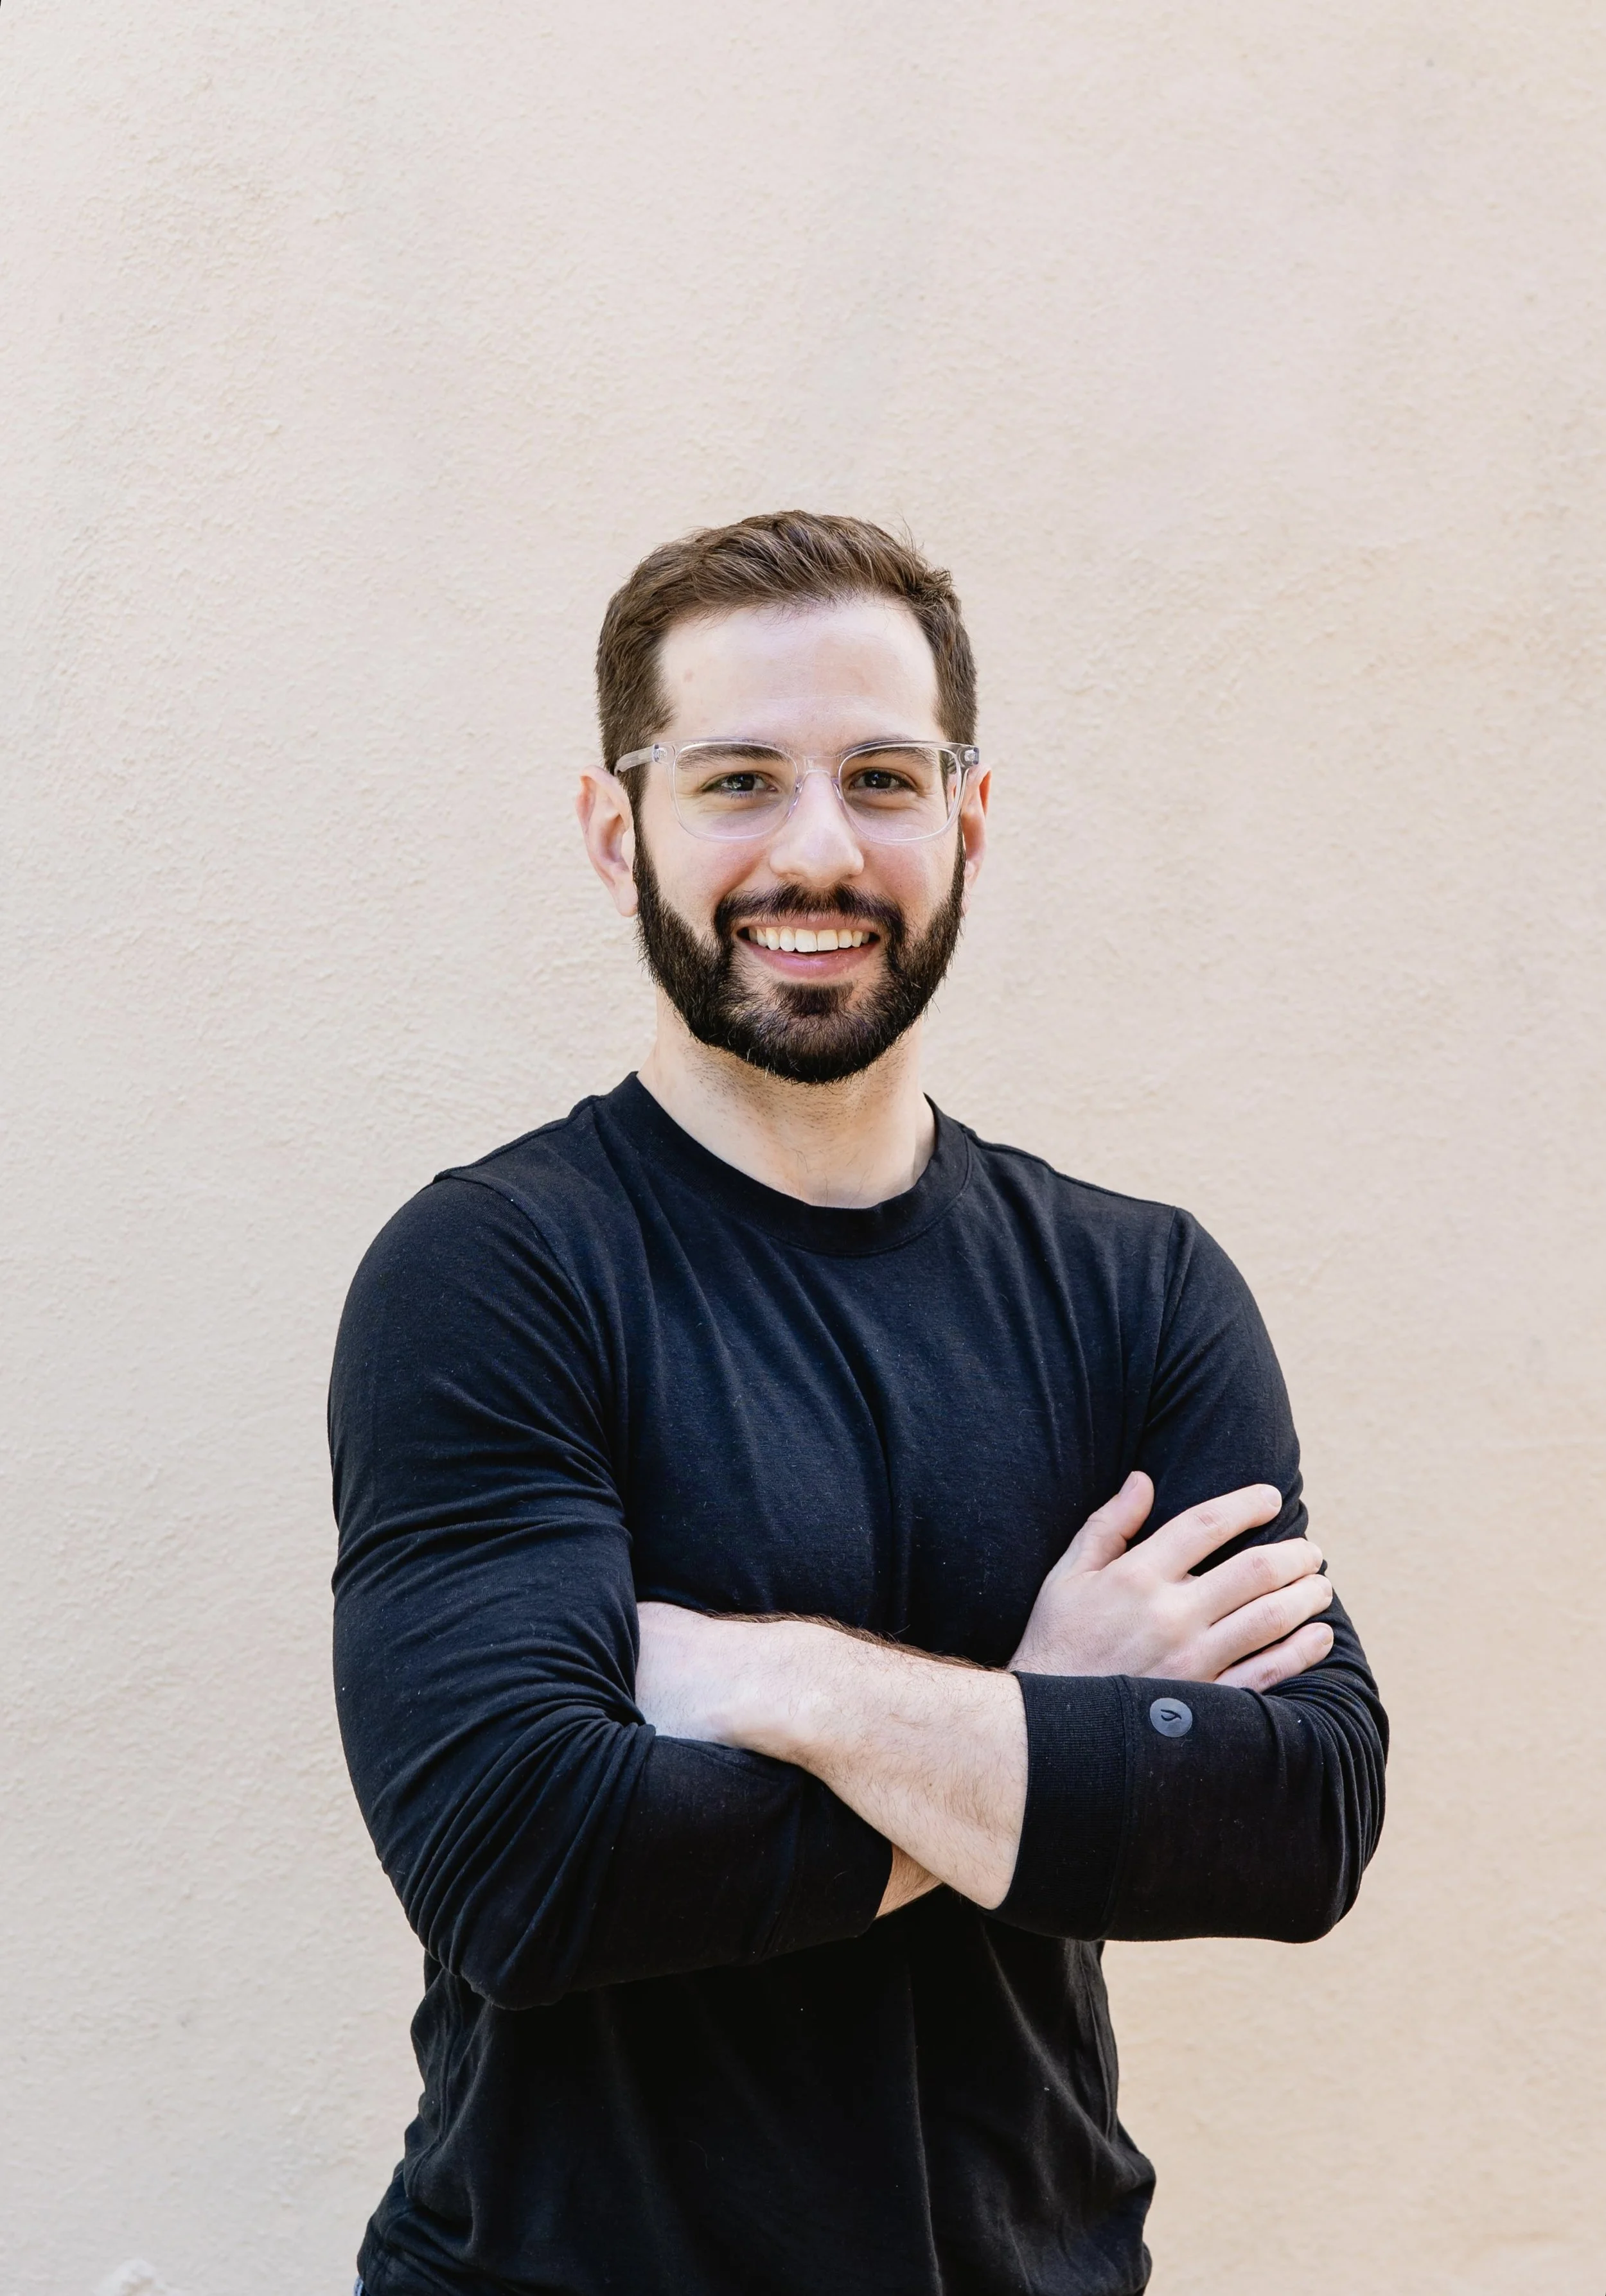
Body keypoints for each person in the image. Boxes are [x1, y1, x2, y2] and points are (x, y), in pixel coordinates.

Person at [330, 510, 1387, 2296]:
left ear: (967, 817)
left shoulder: (1138, 1287)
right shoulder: (494, 1273)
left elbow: (1297, 1819)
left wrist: (785, 1685)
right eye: (737, 780)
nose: (817, 851)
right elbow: (523, 1866)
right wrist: (1060, 1733)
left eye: (883, 779)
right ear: (618, 830)